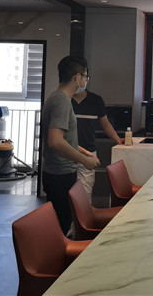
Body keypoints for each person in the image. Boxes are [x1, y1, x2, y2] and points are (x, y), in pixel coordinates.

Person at [41, 56, 100, 235]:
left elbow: (64, 139)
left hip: (57, 173)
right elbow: (55, 141)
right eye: (85, 77)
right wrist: (84, 160)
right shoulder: (62, 102)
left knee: (62, 223)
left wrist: (84, 152)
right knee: (62, 227)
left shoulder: (56, 98)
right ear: (77, 77)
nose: (86, 81)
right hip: (60, 175)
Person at [72, 73, 125, 202]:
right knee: (66, 192)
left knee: (85, 193)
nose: (84, 81)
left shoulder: (95, 100)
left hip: (88, 151)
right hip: (67, 151)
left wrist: (117, 139)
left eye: (86, 78)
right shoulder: (64, 100)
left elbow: (105, 124)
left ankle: (82, 216)